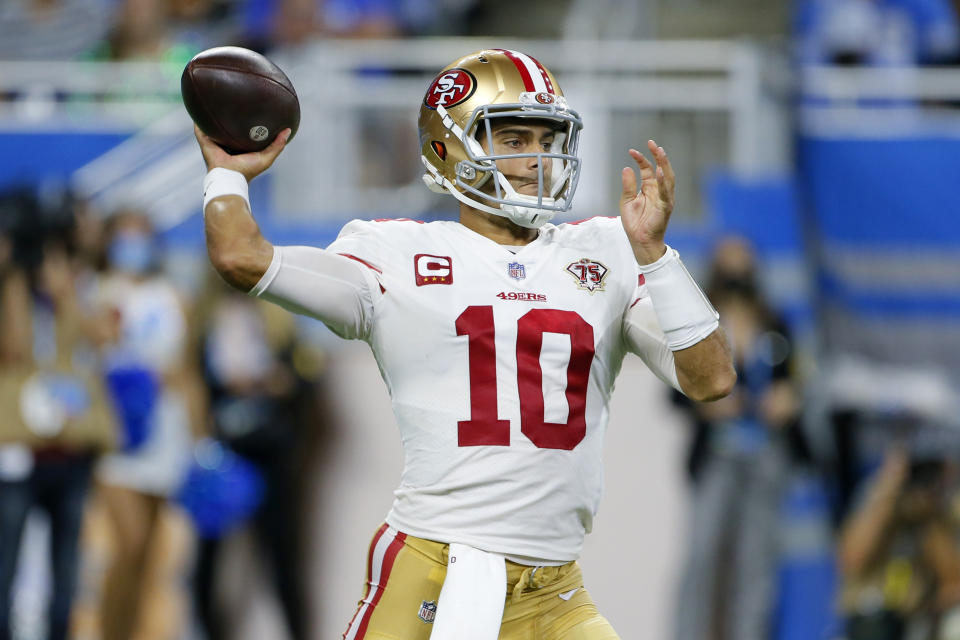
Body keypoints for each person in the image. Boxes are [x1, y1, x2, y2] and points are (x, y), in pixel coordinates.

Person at [193, 48, 736, 639]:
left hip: (556, 593)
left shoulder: (605, 249)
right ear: (447, 148)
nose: (537, 159)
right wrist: (227, 173)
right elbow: (242, 258)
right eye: (513, 138)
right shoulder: (394, 254)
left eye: (546, 138)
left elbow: (711, 380)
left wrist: (657, 256)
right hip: (437, 571)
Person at [672, 236, 806, 640]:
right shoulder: (699, 324)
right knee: (702, 557)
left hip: (765, 453)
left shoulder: (774, 325)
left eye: (743, 263)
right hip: (717, 453)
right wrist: (704, 401)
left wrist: (789, 398)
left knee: (757, 563)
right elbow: (674, 389)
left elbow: (796, 382)